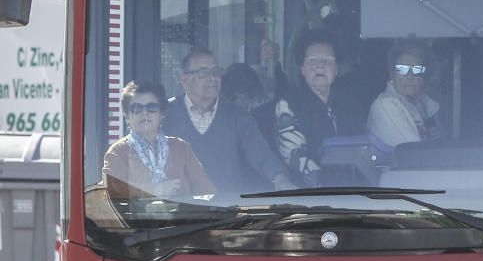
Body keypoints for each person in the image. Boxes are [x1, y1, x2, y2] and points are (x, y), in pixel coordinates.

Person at [164, 47, 294, 194]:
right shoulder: (165, 114)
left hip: (228, 210)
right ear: (183, 78)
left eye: (215, 72)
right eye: (203, 72)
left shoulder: (237, 116)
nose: (212, 78)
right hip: (181, 210)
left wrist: (280, 178)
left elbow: (261, 153)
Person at [102, 80, 215, 199]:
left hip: (183, 217)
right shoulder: (118, 152)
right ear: (127, 117)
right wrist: (155, 190)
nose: (145, 113)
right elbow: (110, 197)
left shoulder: (181, 148)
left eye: (152, 107)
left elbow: (207, 191)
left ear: (161, 114)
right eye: (137, 108)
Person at [274, 30, 359, 185]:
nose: (319, 66)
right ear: (302, 69)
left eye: (326, 60)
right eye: (312, 60)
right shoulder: (288, 105)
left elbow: (363, 150)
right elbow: (296, 158)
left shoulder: (349, 104)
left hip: (352, 192)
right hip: (310, 196)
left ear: (337, 69)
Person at [368, 41, 444, 148]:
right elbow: (415, 152)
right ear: (391, 74)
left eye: (417, 70)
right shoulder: (386, 106)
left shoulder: (423, 102)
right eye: (402, 69)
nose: (410, 76)